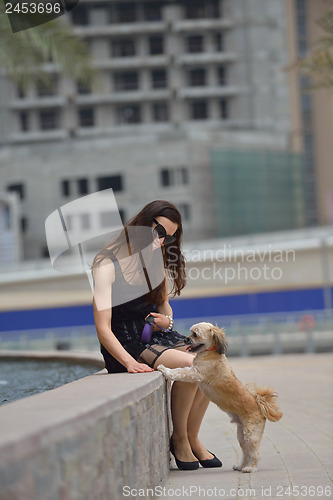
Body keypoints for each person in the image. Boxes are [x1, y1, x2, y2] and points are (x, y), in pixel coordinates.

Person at [92, 200, 222, 470]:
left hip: (153, 337)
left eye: (168, 237)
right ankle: (180, 439)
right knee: (192, 365)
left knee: (212, 362)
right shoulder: (106, 263)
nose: (162, 241)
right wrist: (128, 362)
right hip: (125, 344)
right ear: (142, 223)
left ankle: (193, 438)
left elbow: (163, 305)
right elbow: (103, 327)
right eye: (159, 232)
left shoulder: (153, 258)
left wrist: (167, 320)